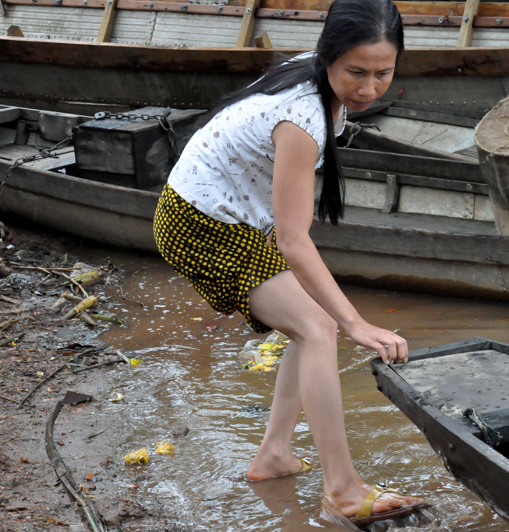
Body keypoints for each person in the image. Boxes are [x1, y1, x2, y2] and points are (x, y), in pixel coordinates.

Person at [152, 0, 426, 525]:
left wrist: (342, 316)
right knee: (321, 329)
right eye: (356, 73)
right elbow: (294, 241)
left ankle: (275, 456)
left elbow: (288, 230)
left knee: (313, 326)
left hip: (227, 214)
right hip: (199, 223)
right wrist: (357, 323)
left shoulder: (318, 81)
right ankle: (343, 488)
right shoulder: (301, 118)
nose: (369, 88)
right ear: (327, 57)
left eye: (383, 73)